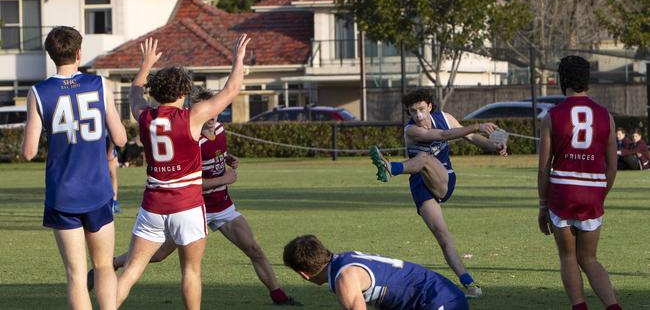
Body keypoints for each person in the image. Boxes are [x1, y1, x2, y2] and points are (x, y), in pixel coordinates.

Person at [106, 87, 301, 306]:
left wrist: (226, 160)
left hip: (222, 205)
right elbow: (188, 183)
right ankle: (114, 263)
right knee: (159, 255)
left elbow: (214, 156)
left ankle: (279, 297)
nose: (211, 117)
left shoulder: (219, 129)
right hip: (190, 209)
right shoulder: (191, 137)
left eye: (214, 112)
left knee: (253, 248)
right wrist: (224, 179)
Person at [116, 35, 250, 309]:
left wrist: (146, 64)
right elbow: (232, 88)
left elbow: (134, 92)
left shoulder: (144, 116)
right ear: (183, 93)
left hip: (152, 205)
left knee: (130, 270)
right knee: (191, 272)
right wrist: (237, 58)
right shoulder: (192, 116)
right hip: (187, 205)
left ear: (155, 92)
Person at [21, 26, 127, 310]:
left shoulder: (39, 92)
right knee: (104, 265)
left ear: (51, 55)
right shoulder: (99, 84)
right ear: (79, 53)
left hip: (62, 194)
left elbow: (29, 152)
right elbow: (120, 138)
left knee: (76, 276)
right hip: (98, 189)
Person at [370, 88, 507, 298]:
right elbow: (445, 135)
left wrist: (494, 145)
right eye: (413, 111)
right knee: (443, 237)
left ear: (430, 106)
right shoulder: (411, 131)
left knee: (425, 158)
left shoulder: (445, 118)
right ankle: (470, 284)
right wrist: (478, 125)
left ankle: (392, 169)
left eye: (422, 109)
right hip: (420, 186)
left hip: (444, 180)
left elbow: (470, 137)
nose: (418, 116)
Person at [537, 55, 622, 310]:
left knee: (568, 257)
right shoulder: (606, 116)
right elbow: (612, 166)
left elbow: (544, 167)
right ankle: (613, 306)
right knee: (589, 258)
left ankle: (579, 306)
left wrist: (543, 205)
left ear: (563, 81)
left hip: (562, 193)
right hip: (592, 193)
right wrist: (600, 195)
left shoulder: (552, 116)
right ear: (588, 81)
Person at [283, 234, 468, 310]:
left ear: (303, 274)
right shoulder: (343, 260)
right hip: (441, 296)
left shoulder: (344, 278)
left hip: (440, 301)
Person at [106, 138, 121, 213]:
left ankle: (114, 203)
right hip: (96, 148)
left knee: (112, 175)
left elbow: (112, 136)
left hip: (108, 146)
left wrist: (110, 151)